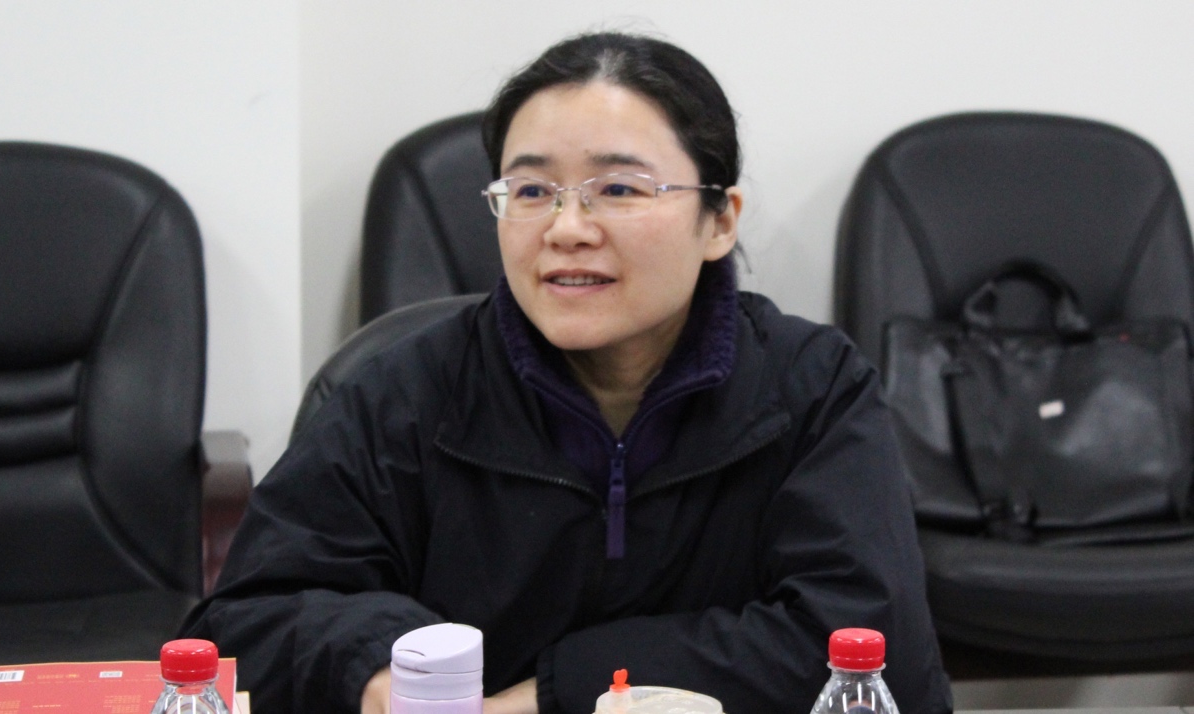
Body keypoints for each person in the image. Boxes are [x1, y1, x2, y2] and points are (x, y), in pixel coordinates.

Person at [182, 32, 953, 714]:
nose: (567, 228)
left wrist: (554, 693)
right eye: (530, 191)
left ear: (719, 220)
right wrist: (378, 665)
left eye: (617, 189)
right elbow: (250, 617)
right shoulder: (400, 393)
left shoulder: (811, 387)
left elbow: (870, 644)